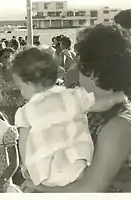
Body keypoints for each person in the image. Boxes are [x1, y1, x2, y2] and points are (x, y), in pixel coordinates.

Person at [24, 23, 131, 192]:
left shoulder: (119, 126)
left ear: (95, 71)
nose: (76, 69)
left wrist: (38, 188)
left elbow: (90, 189)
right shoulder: (97, 108)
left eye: (81, 65)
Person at [11, 48, 95, 188]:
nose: (21, 91)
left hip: (47, 173)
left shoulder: (26, 111)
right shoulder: (74, 95)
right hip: (78, 165)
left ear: (29, 84)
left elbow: (23, 143)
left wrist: (25, 168)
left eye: (20, 86)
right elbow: (97, 103)